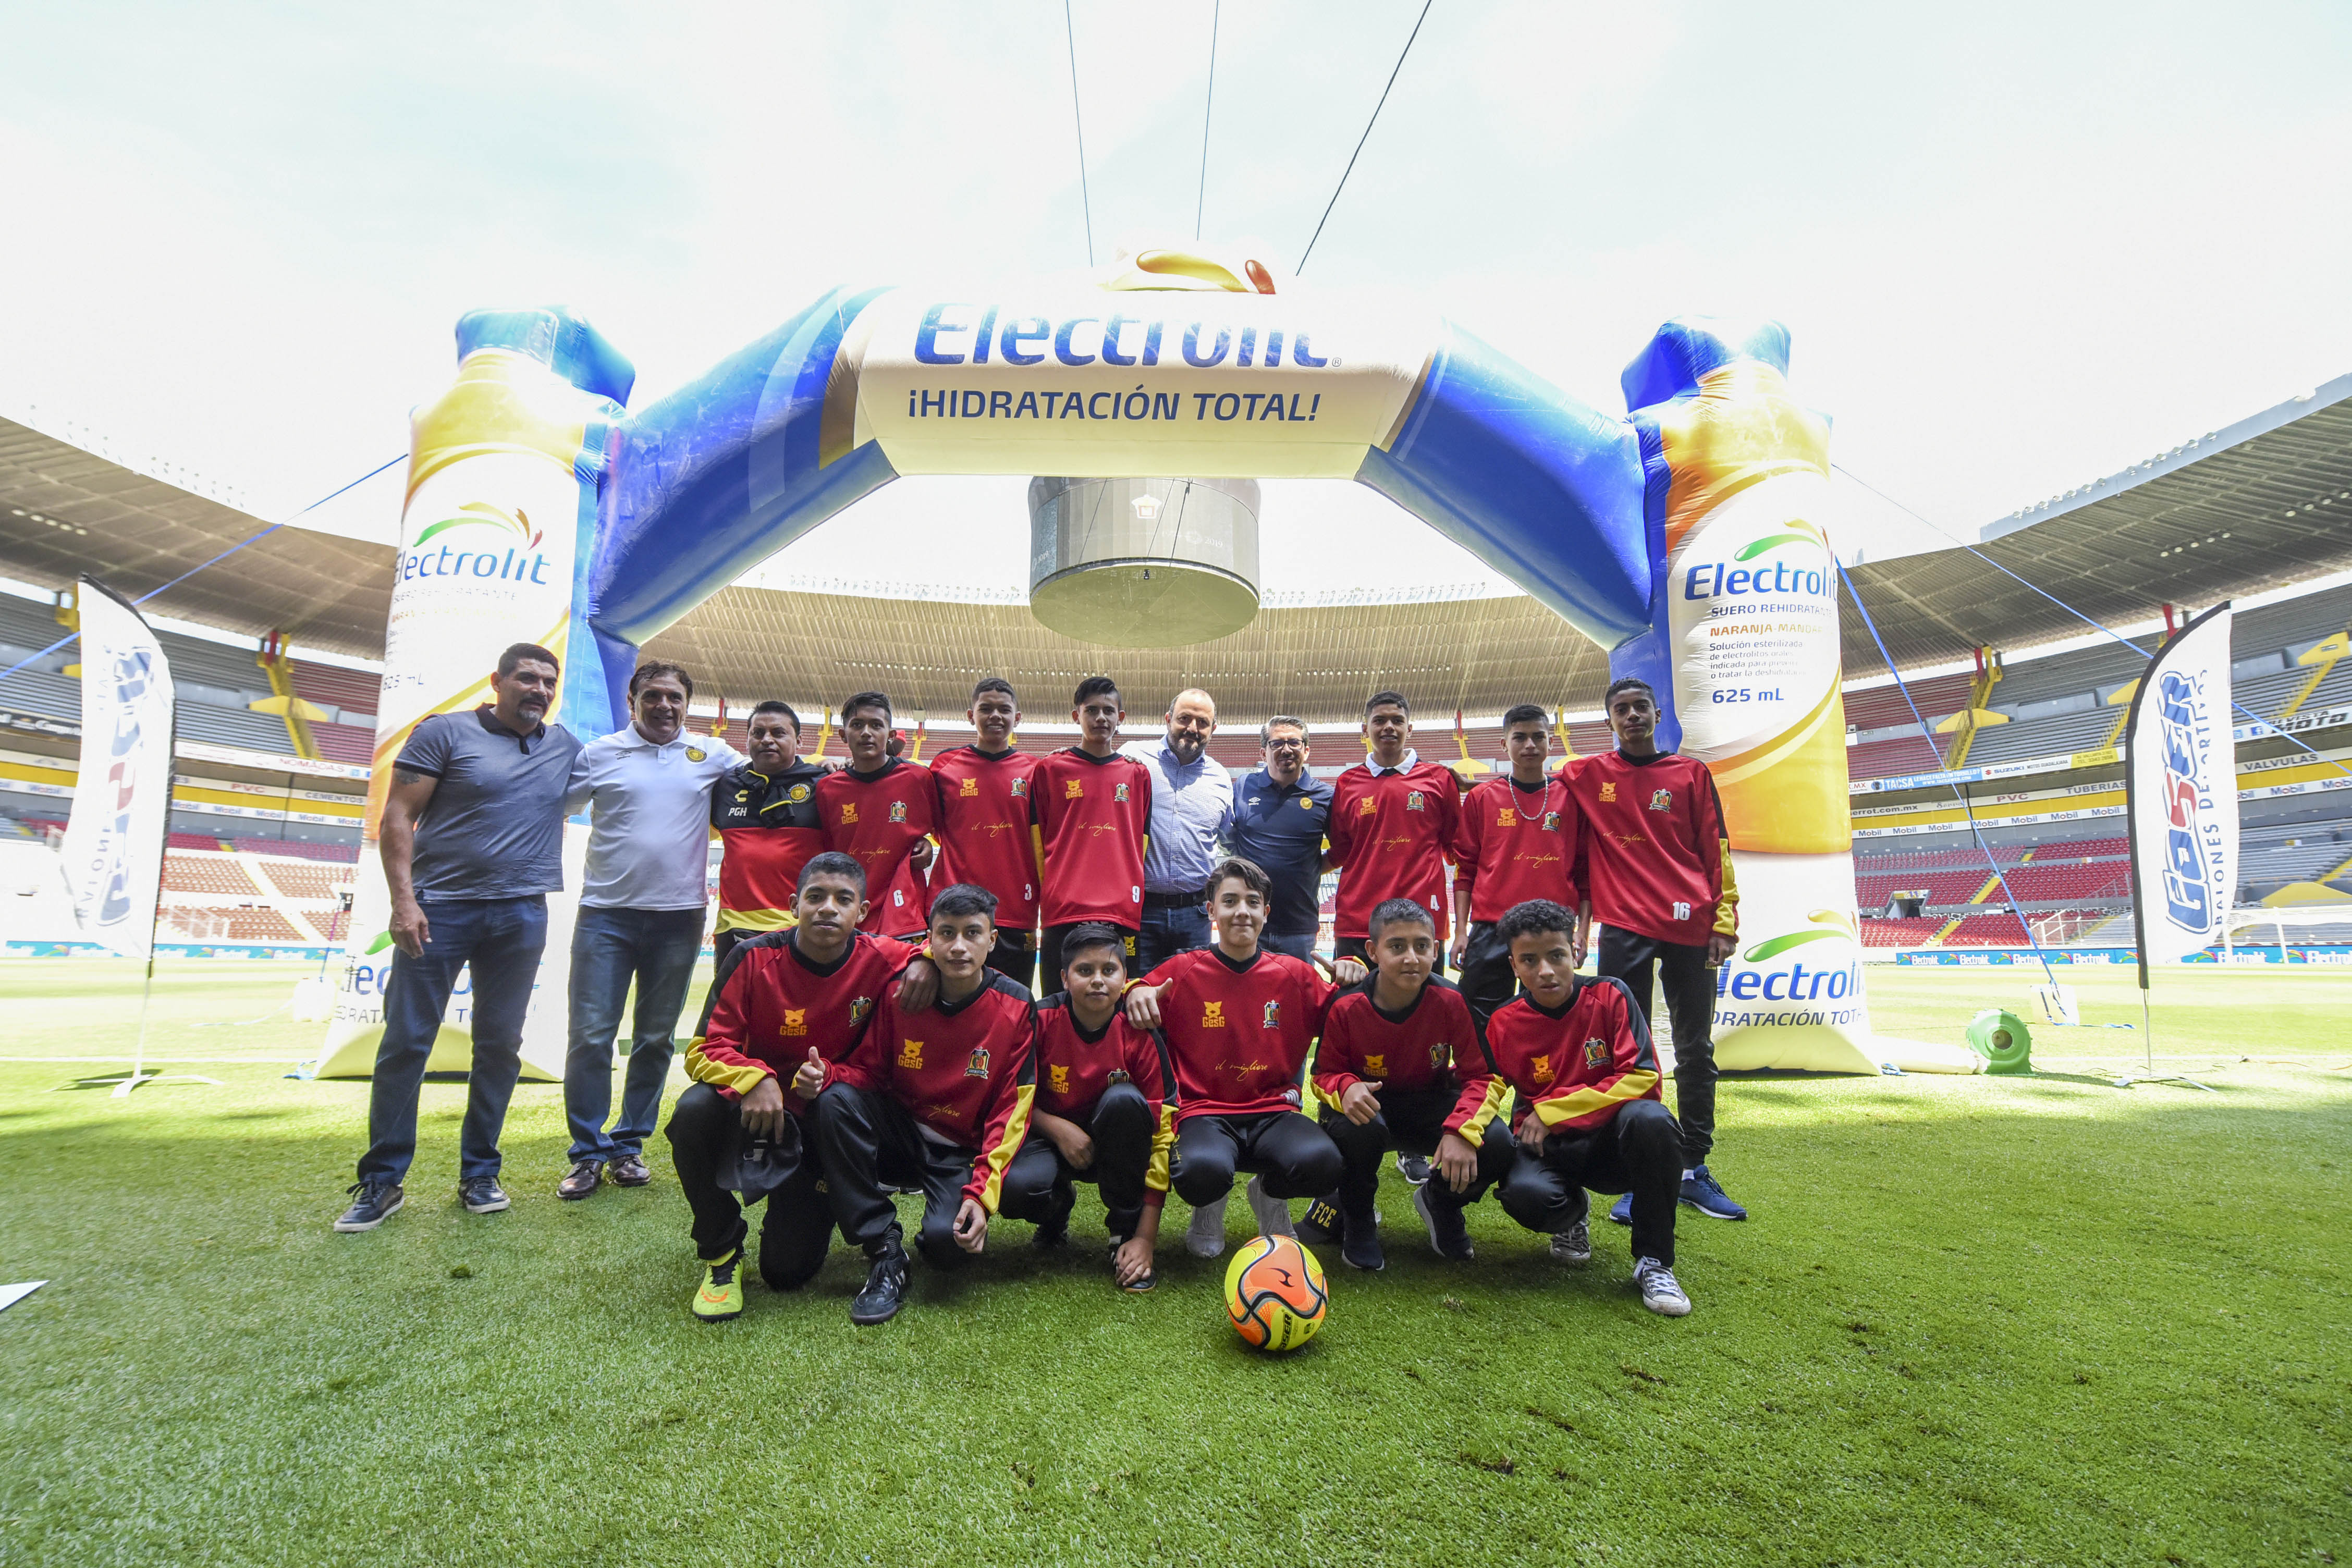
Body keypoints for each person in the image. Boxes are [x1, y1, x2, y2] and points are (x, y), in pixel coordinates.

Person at [336, 643, 582, 1232]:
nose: (539, 690)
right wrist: (403, 900)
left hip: (522, 913)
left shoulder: (565, 745)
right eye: (527, 678)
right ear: (496, 681)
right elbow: (397, 816)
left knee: (500, 1046)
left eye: (549, 682)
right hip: (439, 909)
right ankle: (383, 1179)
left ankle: (480, 1171)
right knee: (407, 1042)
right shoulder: (443, 732)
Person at [662, 852, 930, 1321]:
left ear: (862, 912)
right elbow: (702, 1049)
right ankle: (722, 1252)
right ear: (794, 904)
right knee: (693, 1111)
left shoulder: (883, 956)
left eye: (843, 899)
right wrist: (756, 1077)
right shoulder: (752, 957)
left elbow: (946, 953)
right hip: (757, 1117)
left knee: (786, 1272)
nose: (828, 908)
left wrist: (925, 960)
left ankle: (827, 1197)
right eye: (816, 897)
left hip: (823, 1127)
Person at [1419, 898, 1692, 1316]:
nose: (1545, 970)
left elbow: (1643, 1078)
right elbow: (1488, 1083)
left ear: (1576, 952)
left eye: (1556, 956)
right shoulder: (1505, 1021)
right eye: (1529, 960)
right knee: (1526, 1196)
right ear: (1514, 966)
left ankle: (1655, 1262)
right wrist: (1460, 1131)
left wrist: (1552, 1111)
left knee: (1651, 1120)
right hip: (1551, 1151)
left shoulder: (1610, 995)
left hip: (1611, 1148)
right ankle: (1571, 1217)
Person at [1561, 676, 1747, 1224]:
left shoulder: (1691, 774)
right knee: (1626, 1054)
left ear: (1657, 713)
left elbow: (1717, 848)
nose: (1633, 715)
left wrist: (1724, 918)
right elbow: (1529, 788)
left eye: (1641, 706)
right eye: (1622, 709)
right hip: (1623, 926)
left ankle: (1693, 1167)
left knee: (1694, 1046)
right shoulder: (1586, 774)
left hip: (1690, 924)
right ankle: (1637, 1168)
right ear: (1610, 720)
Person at [556, 661, 743, 1201]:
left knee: (656, 1037)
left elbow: (777, 774)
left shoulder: (713, 755)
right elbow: (557, 806)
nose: (665, 705)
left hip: (679, 916)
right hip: (605, 915)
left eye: (675, 697)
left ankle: (628, 1143)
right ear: (633, 699)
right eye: (653, 696)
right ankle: (587, 1152)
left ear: (688, 703)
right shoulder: (599, 753)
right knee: (591, 1036)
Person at [814, 883, 1038, 1326]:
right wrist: (829, 1076)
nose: (958, 946)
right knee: (835, 1100)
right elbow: (871, 1073)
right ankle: (883, 1248)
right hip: (899, 1133)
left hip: (957, 1149)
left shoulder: (1015, 1003)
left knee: (947, 1250)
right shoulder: (902, 993)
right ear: (928, 940)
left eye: (972, 934)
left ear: (992, 940)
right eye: (946, 933)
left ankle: (1038, 1208)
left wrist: (979, 1192)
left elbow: (1011, 1107)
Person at [1123, 858, 1348, 1260]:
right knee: (1198, 1174)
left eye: (1252, 901)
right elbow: (1131, 992)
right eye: (1230, 901)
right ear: (1212, 911)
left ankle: (1269, 1195)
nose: (1241, 911)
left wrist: (1355, 972)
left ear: (1266, 912)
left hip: (1275, 1110)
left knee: (1324, 1164)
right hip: (1203, 1113)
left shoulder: (1294, 975)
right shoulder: (1183, 971)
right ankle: (1209, 1207)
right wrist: (1134, 988)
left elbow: (1348, 1014)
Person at [1295, 898, 1512, 1272]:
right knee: (1357, 1129)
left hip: (1428, 1103)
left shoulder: (1451, 1000)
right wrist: (1346, 1087)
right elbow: (1323, 1074)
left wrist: (1462, 1129)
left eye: (1421, 946)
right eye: (1397, 947)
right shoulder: (1347, 1006)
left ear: (1435, 951)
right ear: (1373, 952)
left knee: (1495, 1143)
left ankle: (1441, 1202)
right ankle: (1359, 1221)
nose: (1411, 957)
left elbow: (1484, 1077)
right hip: (1368, 1109)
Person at [997, 922, 1172, 1290]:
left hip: (1116, 1147)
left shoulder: (1139, 1033)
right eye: (1084, 970)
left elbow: (1162, 1136)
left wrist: (1146, 1239)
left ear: (1125, 978)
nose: (1097, 980)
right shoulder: (1039, 1020)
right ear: (1064, 977)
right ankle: (1056, 1208)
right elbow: (1008, 1094)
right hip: (1050, 1140)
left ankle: (1123, 1233)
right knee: (1015, 1193)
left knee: (1124, 1100)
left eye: (1108, 971)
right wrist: (1057, 1129)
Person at [1452, 703, 1581, 1024]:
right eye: (1520, 738)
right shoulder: (1482, 797)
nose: (1530, 746)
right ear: (1504, 744)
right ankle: (1484, 1077)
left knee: (1551, 1017)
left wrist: (1583, 931)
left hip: (1553, 928)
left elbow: (1584, 870)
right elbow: (1465, 869)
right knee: (1479, 1017)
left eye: (1539, 737)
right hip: (1490, 927)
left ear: (1551, 743)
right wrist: (1460, 931)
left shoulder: (1571, 797)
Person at [1032, 676, 1153, 989]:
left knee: (1118, 1007)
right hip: (1064, 910)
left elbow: (1140, 844)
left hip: (1121, 911)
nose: (1101, 718)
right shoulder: (1050, 770)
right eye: (1092, 711)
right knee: (1057, 1008)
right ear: (1077, 716)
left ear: (1120, 718)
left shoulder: (1137, 774)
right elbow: (1038, 839)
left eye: (1109, 711)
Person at [1327, 690, 1462, 970]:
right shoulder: (1347, 783)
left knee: (1425, 1011)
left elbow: (1457, 849)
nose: (1389, 727)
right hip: (1358, 924)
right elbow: (1341, 852)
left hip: (1422, 925)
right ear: (1366, 729)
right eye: (1380, 721)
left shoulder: (1439, 779)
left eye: (1397, 720)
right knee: (1353, 1008)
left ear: (1409, 729)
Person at [929, 677, 1042, 987]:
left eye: (1004, 709)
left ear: (1017, 718)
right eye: (986, 709)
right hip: (954, 910)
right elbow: (928, 827)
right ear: (971, 715)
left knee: (1011, 1007)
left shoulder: (1036, 770)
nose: (996, 716)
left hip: (1017, 911)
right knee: (947, 1005)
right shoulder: (943, 767)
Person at [709, 700, 827, 974]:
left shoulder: (823, 785)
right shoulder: (726, 785)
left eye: (778, 733)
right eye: (758, 733)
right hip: (734, 927)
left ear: (798, 740)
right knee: (733, 1014)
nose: (767, 740)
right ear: (748, 738)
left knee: (797, 1014)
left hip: (801, 928)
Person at [1123, 688, 1233, 974]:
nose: (1193, 729)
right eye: (1184, 718)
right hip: (1141, 911)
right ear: (1168, 719)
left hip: (1195, 915)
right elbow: (1095, 770)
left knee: (1191, 999)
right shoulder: (1133, 757)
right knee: (1135, 995)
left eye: (1203, 723)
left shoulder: (1220, 779)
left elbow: (1229, 841)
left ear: (1214, 729)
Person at [817, 691, 940, 938]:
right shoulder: (827, 789)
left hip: (905, 913)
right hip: (847, 916)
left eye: (876, 725)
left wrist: (925, 843)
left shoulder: (918, 779)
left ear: (891, 735)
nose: (866, 732)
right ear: (843, 735)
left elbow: (944, 830)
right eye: (857, 725)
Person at [1221, 715, 1332, 963]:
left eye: (1294, 742)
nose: (1286, 749)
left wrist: (1311, 867)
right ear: (1263, 753)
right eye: (1277, 743)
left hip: (1298, 928)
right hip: (1248, 921)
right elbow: (1231, 837)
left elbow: (1342, 850)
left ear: (1306, 751)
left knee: (1299, 998)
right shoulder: (1243, 786)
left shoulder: (1325, 796)